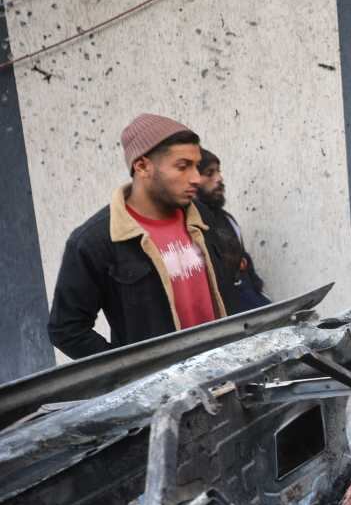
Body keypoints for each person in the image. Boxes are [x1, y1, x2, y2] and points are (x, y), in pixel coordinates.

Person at [47, 114, 235, 359]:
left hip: (228, 370)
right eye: (183, 166)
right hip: (164, 383)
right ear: (142, 166)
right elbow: (66, 330)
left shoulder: (203, 217)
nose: (195, 178)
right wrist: (130, 369)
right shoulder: (96, 241)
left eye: (196, 166)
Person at [196, 148, 270, 311]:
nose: (219, 178)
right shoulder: (193, 227)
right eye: (209, 173)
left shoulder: (228, 221)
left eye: (218, 171)